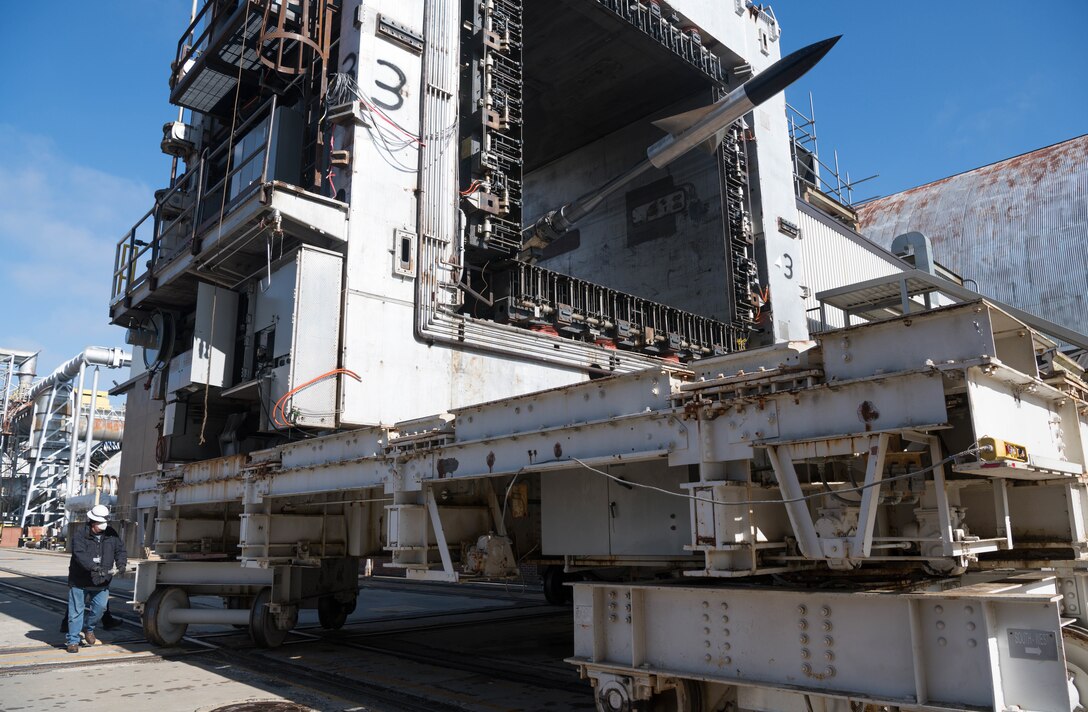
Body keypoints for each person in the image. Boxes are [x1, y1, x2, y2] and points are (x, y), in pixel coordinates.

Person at [65, 504, 127, 653]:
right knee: (75, 611)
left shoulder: (111, 533)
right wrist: (94, 567)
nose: (103, 527)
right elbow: (80, 555)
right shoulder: (80, 534)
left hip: (102, 581)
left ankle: (89, 628)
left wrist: (121, 563)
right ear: (93, 522)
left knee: (100, 608)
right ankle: (73, 640)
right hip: (80, 580)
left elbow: (120, 550)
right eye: (100, 524)